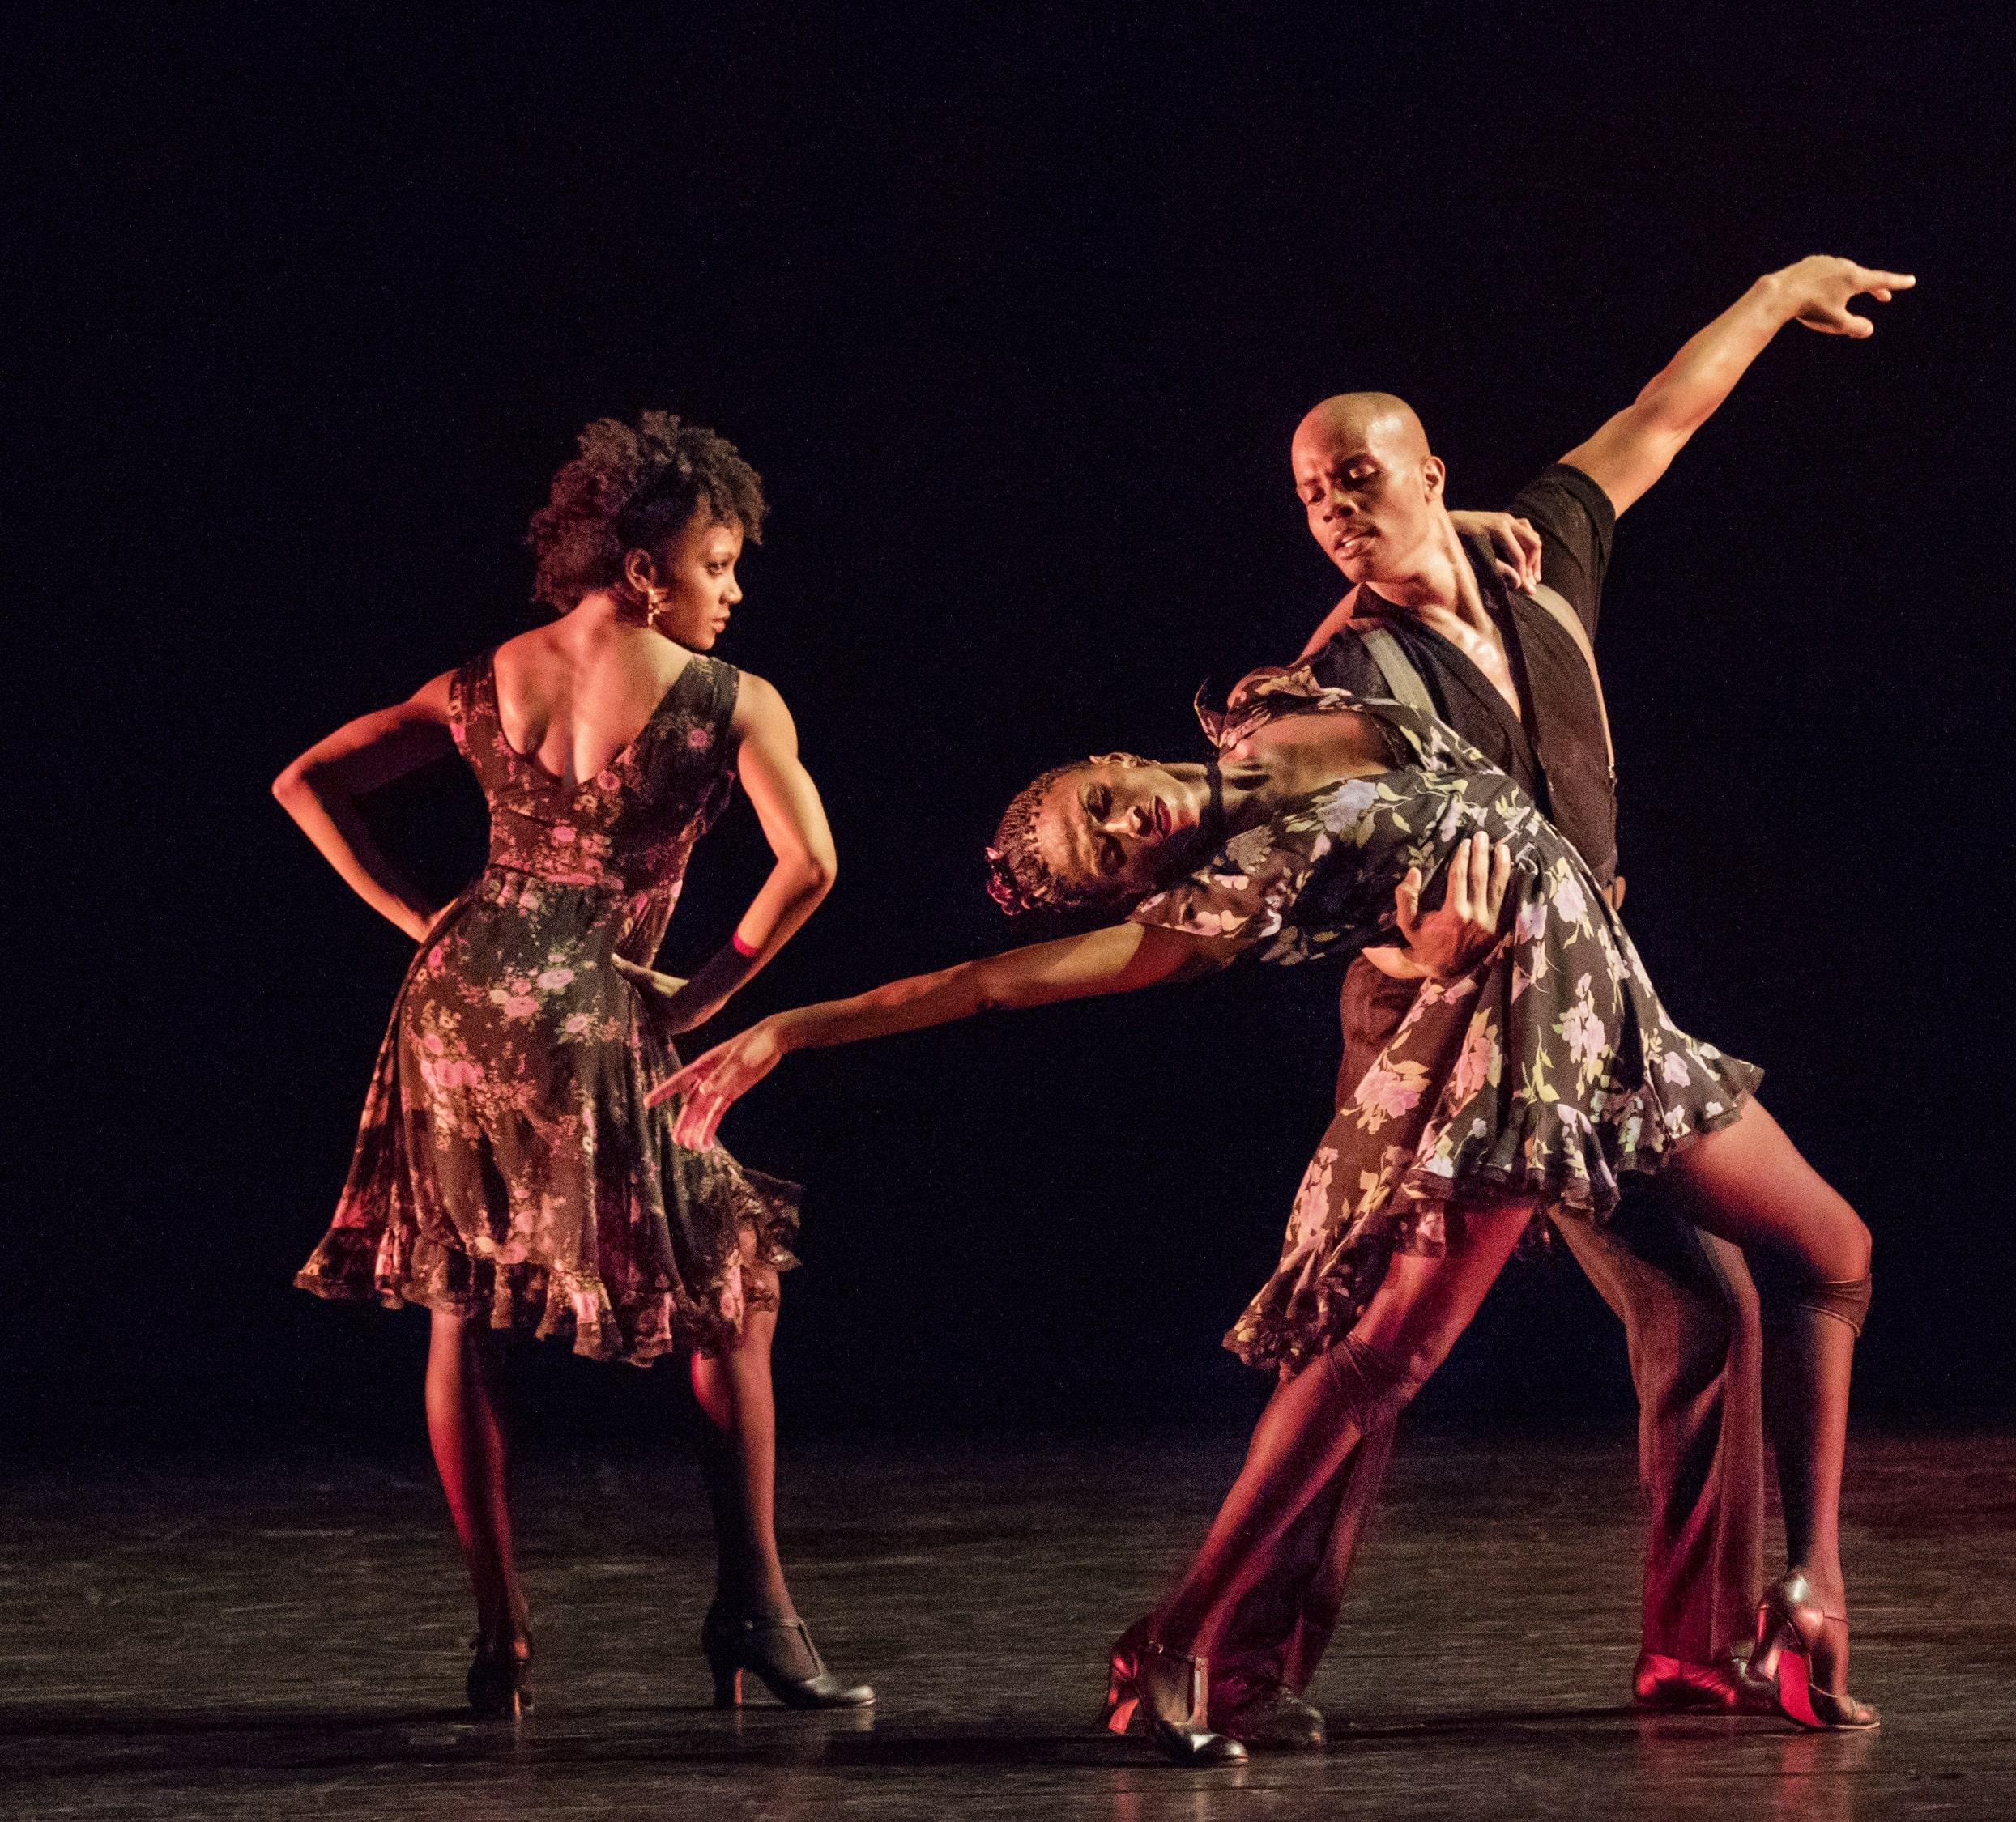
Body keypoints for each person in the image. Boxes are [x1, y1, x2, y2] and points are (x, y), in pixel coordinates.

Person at [650, 653, 1881, 1756]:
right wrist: (791, 1030)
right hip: (1503, 1055)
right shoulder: (1240, 886)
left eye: (1099, 805)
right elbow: (982, 984)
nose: (1126, 825)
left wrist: (1465, 534)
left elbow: (1394, 589)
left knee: (1832, 1252)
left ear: (1113, 758)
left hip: (1614, 1027)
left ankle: (1808, 1591)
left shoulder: (1281, 704)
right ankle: (1170, 1641)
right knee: (1381, 1357)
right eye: (1112, 856)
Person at [1202, 252, 1917, 1740]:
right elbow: (1320, 882)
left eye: (1359, 476)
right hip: (1436, 1020)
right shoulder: (1350, 678)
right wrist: (1417, 963)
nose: (1334, 503)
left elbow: (1660, 413)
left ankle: (1694, 1650)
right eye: (1312, 492)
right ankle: (1235, 1658)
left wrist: (1778, 295)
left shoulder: (1543, 556)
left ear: (1432, 472)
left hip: (1588, 1017)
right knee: (1376, 1344)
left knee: (1707, 1304)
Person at [275, 412, 870, 1717]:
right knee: (728, 1292)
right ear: (645, 567)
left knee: (462, 1304)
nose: (734, 587)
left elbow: (306, 779)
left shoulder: (491, 675)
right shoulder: (729, 700)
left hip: (458, 1009)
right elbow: (811, 865)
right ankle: (756, 1608)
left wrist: (423, 919)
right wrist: (706, 993)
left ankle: (502, 1640)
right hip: (600, 1018)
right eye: (718, 560)